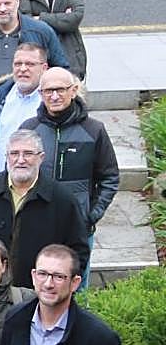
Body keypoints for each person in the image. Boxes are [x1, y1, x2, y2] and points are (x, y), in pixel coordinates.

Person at [0, 129, 90, 288]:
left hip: (40, 294)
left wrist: (57, 288)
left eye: (28, 154)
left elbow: (78, 252)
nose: (20, 160)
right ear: (6, 157)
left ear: (41, 158)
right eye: (14, 154)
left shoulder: (63, 200)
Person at [21, 67, 119, 245]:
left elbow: (109, 177)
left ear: (73, 91)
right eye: (49, 91)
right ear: (41, 94)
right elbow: (14, 172)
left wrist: (91, 215)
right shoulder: (29, 129)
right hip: (35, 226)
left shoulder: (93, 130)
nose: (54, 96)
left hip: (77, 229)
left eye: (60, 90)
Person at [0, 43, 49, 181]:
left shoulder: (51, 101)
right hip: (0, 182)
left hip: (39, 184)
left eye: (30, 64)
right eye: (18, 64)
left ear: (44, 68)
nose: (23, 69)